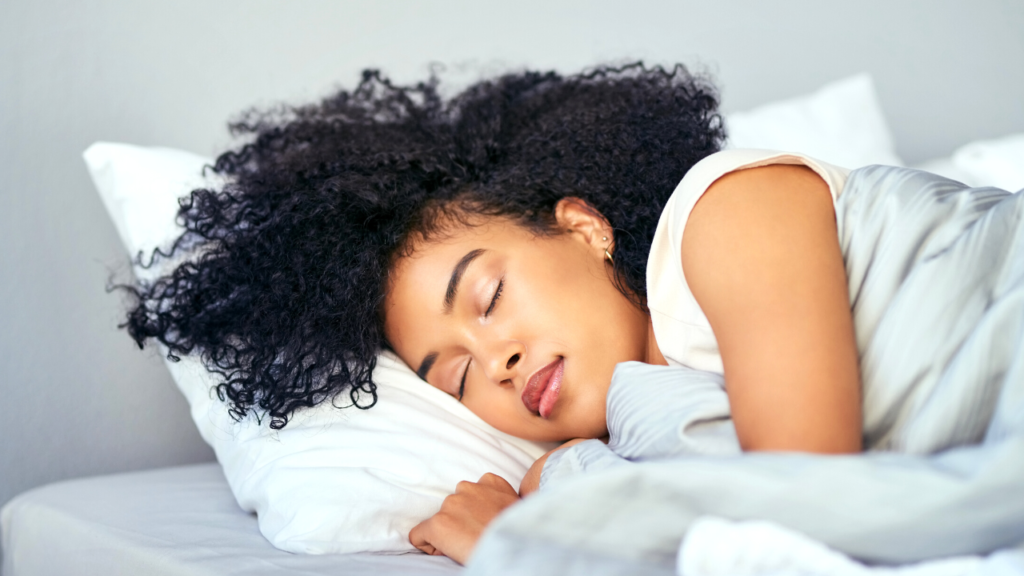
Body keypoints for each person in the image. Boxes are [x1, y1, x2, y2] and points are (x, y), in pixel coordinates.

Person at [122, 63, 861, 564]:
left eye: (489, 298)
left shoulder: (731, 212)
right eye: (456, 376)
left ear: (584, 226)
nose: (498, 364)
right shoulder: (611, 448)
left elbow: (803, 528)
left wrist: (518, 548)